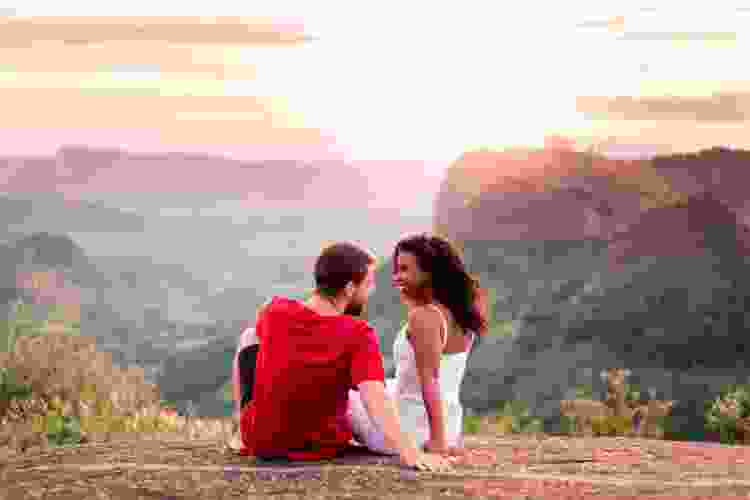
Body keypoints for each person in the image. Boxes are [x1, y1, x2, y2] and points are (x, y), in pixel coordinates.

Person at [235, 241, 451, 471]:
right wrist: (409, 451)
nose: (371, 291)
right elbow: (374, 398)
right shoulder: (357, 334)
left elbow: (257, 348)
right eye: (368, 285)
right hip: (316, 446)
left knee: (249, 337)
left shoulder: (275, 310)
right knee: (363, 390)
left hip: (260, 442)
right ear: (349, 289)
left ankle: (239, 431)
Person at [347, 233, 488, 457]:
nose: (396, 277)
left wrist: (438, 442)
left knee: (343, 391)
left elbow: (429, 380)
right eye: (396, 269)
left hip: (413, 432)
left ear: (429, 272)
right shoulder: (461, 310)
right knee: (386, 386)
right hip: (449, 425)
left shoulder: (424, 317)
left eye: (404, 269)